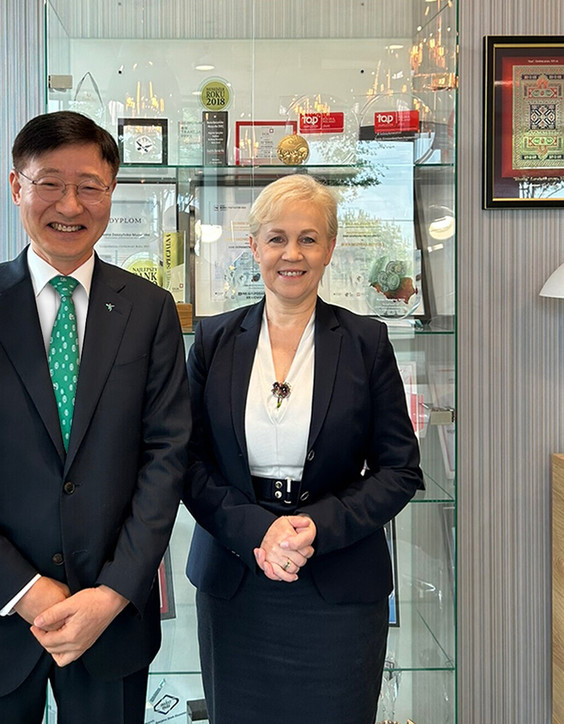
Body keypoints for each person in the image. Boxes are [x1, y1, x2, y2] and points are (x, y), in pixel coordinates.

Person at [0, 110, 190, 724]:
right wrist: (24, 590)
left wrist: (112, 593)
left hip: (109, 621)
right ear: (17, 186)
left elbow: (167, 457)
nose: (70, 204)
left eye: (90, 186)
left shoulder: (150, 310)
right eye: (51, 184)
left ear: (111, 192)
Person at [182, 174, 423, 724]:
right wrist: (258, 532)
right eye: (277, 238)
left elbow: (400, 470)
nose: (292, 254)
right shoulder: (213, 339)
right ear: (254, 246)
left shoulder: (366, 342)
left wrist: (317, 526)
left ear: (330, 248)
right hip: (236, 580)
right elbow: (188, 462)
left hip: (339, 584)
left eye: (308, 239)